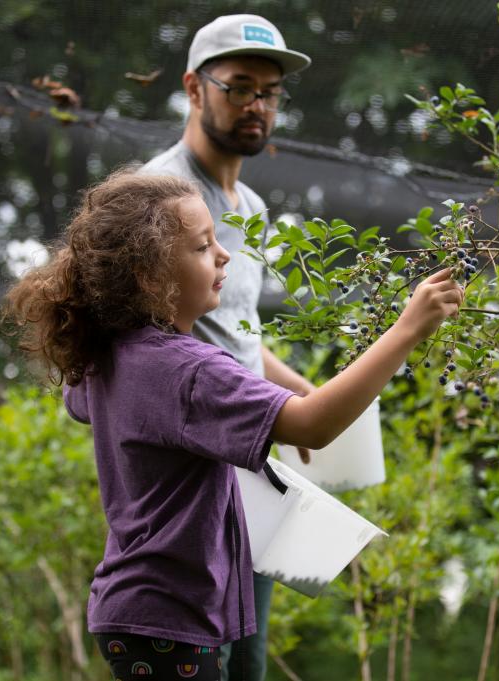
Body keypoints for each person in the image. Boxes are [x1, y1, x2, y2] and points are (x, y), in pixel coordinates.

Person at [3, 169, 464, 681]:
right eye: (202, 248)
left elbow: (83, 402)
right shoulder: (186, 370)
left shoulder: (111, 356)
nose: (223, 256)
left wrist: (257, 409)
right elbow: (311, 426)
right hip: (168, 618)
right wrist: (407, 329)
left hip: (139, 609)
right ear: (150, 277)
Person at [140, 15, 313, 679]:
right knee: (191, 652)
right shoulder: (158, 197)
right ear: (193, 86)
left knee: (250, 657)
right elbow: (145, 343)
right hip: (190, 472)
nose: (256, 105)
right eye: (239, 86)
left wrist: (294, 393)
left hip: (249, 460)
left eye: (269, 92)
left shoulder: (253, 210)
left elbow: (234, 329)